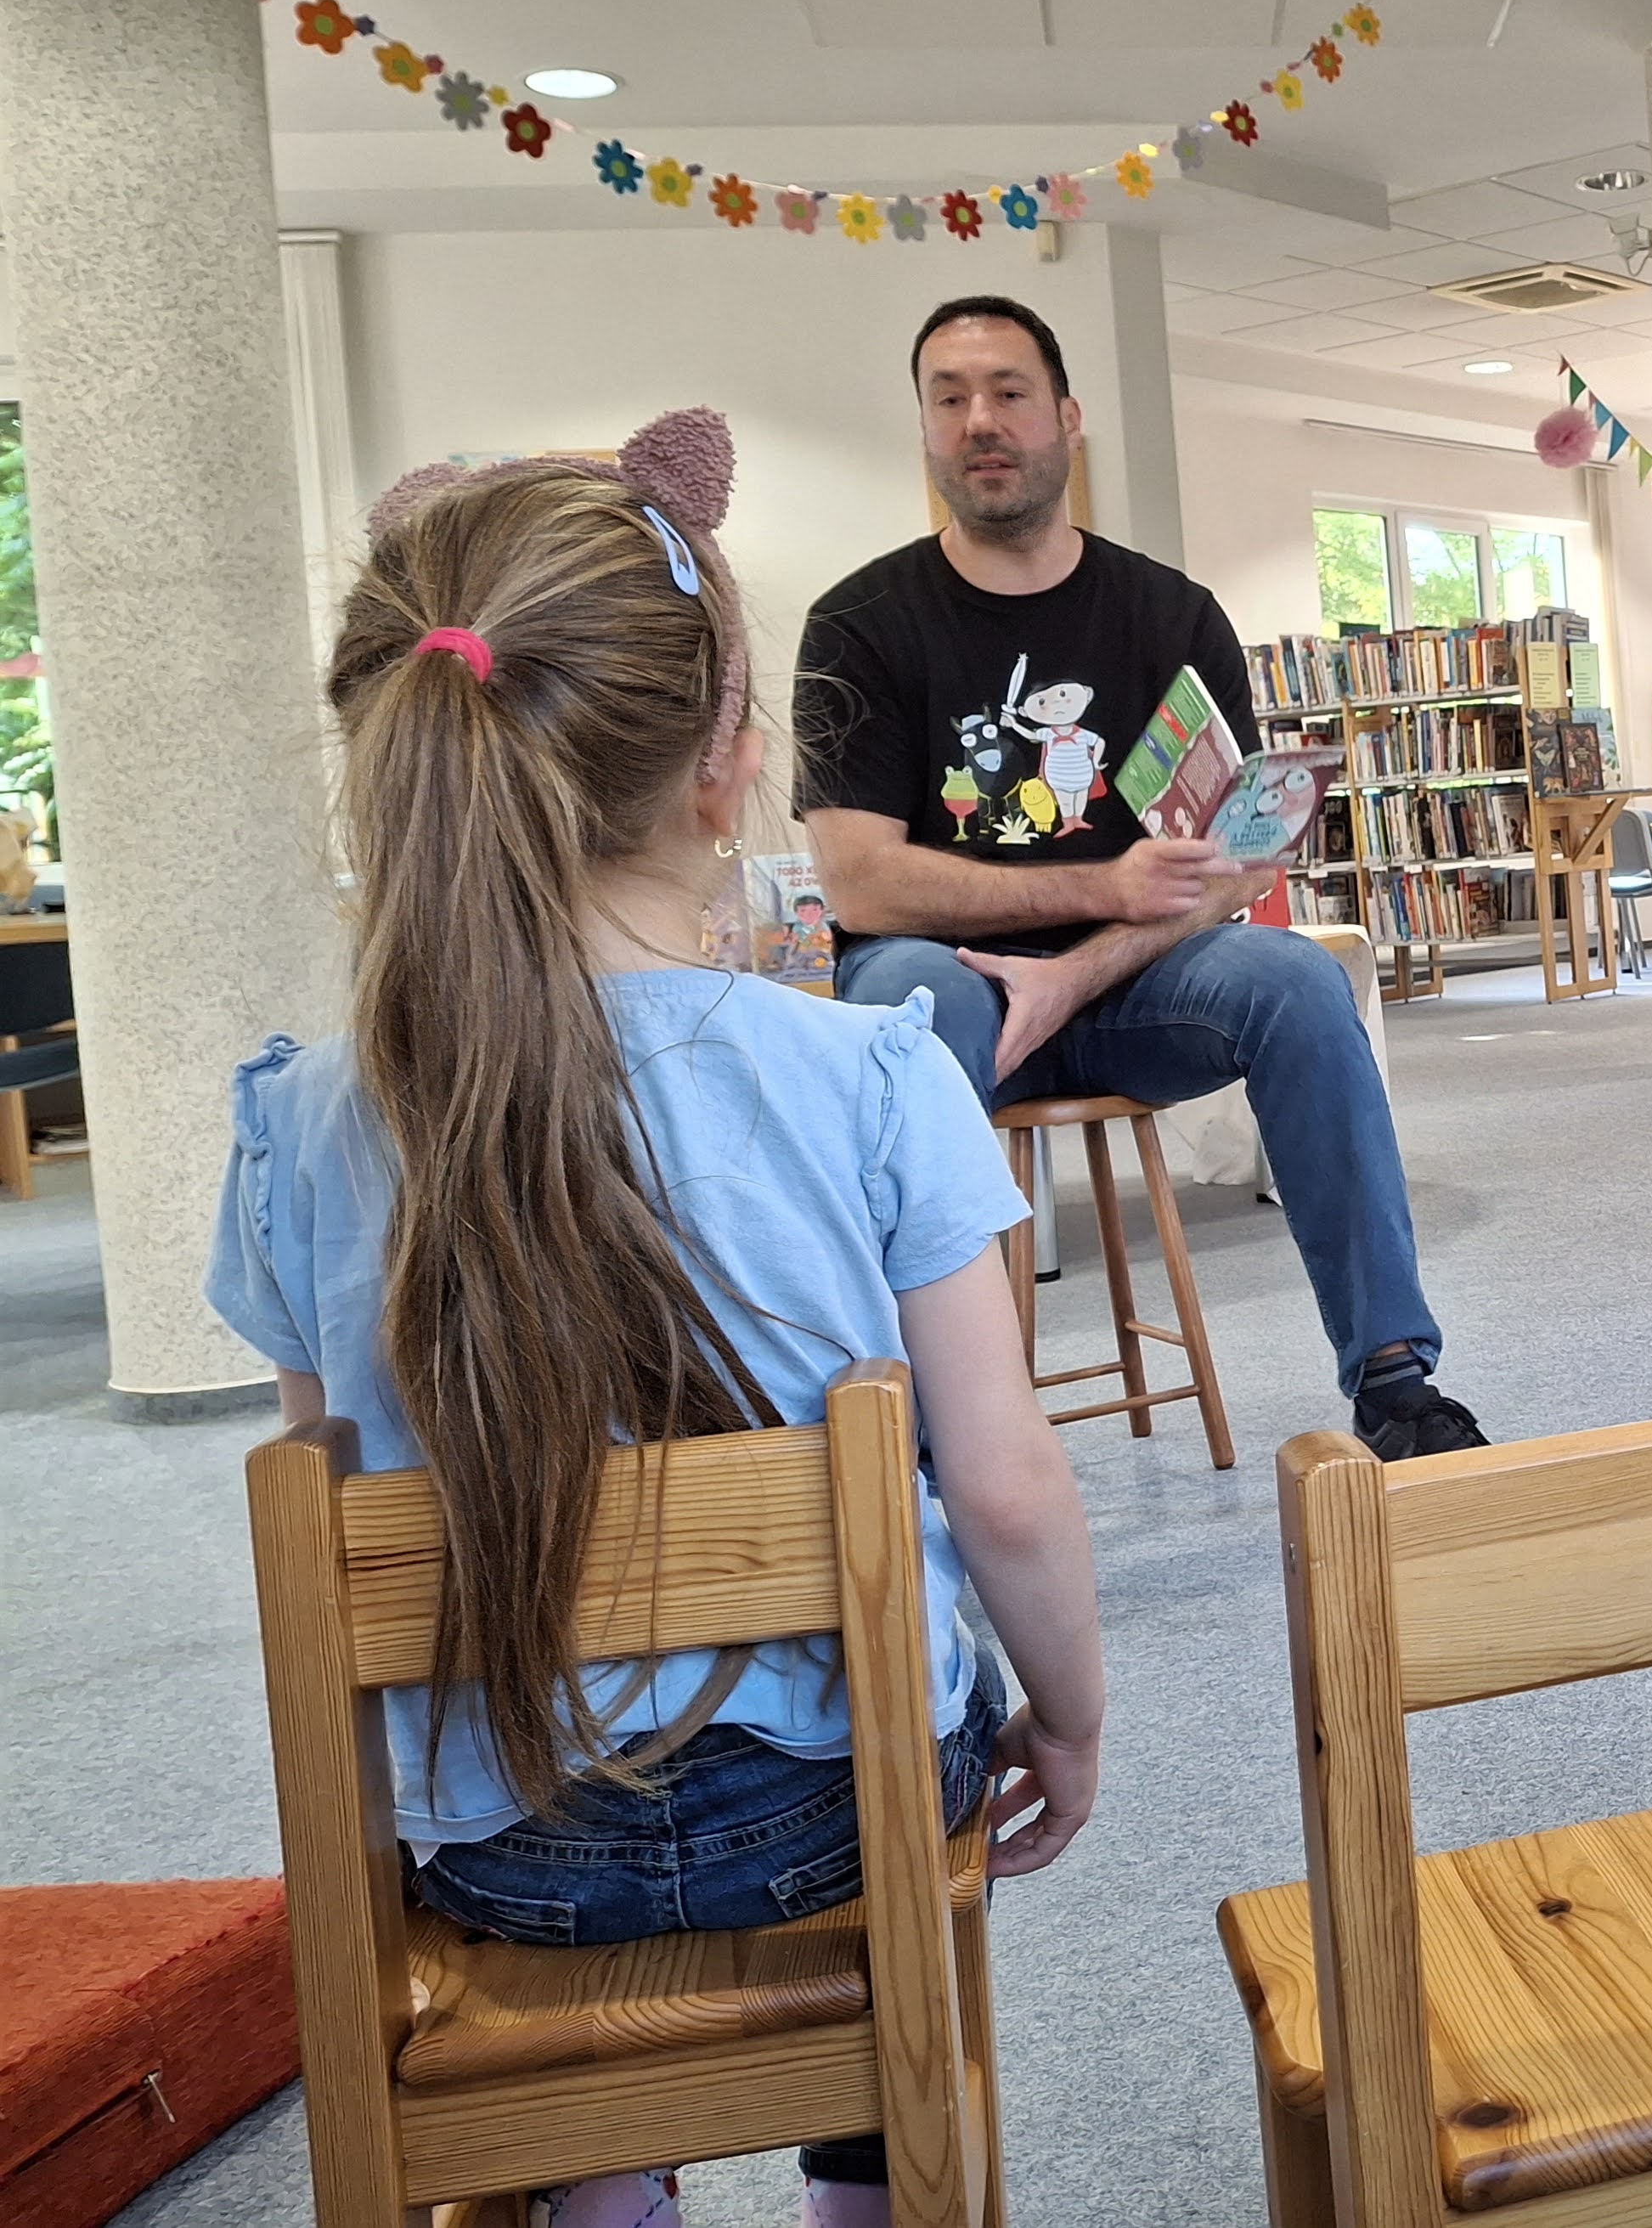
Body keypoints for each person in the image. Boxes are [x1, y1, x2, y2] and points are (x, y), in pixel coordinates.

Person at [207, 424, 1105, 2228]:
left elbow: (342, 1493)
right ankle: (870, 2178)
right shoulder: (872, 1077)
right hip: (836, 1811)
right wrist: (1068, 1723)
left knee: (540, 1799)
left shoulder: (299, 1124)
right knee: (910, 1744)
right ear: (730, 761)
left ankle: (602, 2182)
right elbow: (1006, 1488)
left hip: (505, 1848)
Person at [792, 296, 1485, 1462]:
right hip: (948, 979)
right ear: (924, 430)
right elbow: (861, 885)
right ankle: (921, 1419)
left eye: (1008, 393)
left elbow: (1230, 866)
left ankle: (1394, 1380)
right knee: (913, 1007)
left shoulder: (1173, 616)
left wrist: (1081, 968)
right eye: (949, 399)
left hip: (1140, 990)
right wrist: (1106, 888)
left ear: (1067, 420)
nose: (979, 421)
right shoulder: (859, 623)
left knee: (1298, 983)